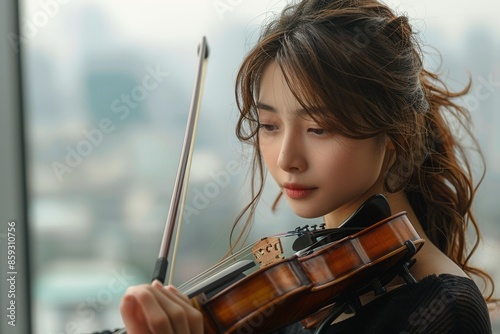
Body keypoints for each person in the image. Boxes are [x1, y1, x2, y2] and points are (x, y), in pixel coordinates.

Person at [115, 0, 498, 333]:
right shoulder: (296, 283)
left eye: (318, 128)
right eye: (269, 126)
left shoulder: (446, 311)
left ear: (396, 134)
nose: (285, 159)